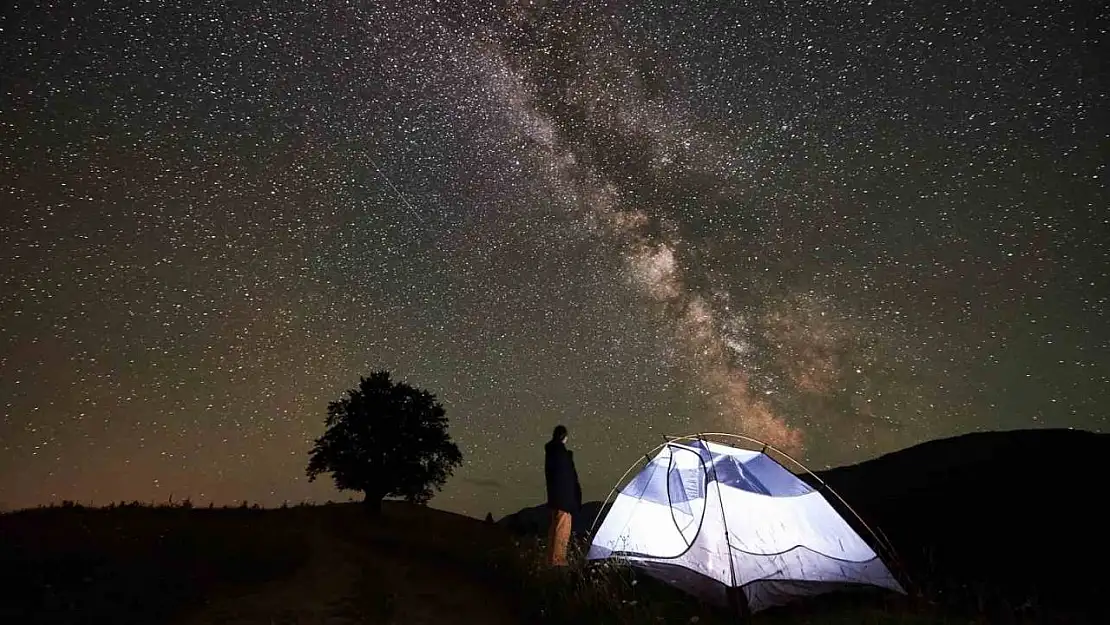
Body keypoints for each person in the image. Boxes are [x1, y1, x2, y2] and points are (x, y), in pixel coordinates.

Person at [544, 424, 582, 567]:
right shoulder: (561, 455)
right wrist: (574, 499)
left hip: (556, 499)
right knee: (562, 531)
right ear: (564, 437)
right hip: (564, 500)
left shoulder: (552, 453)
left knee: (555, 529)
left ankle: (551, 559)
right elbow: (568, 479)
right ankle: (557, 561)